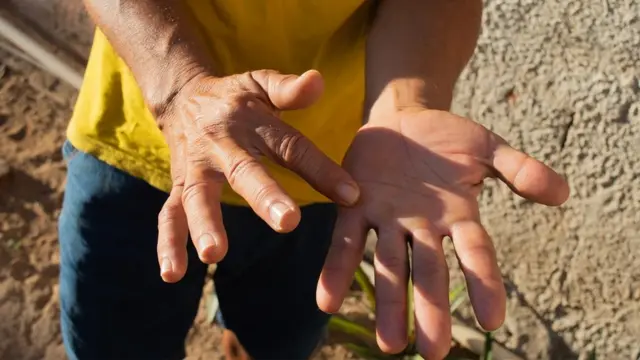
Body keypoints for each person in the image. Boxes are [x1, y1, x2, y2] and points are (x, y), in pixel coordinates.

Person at [58, 0, 570, 359]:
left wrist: (405, 106)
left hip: (330, 174)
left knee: (272, 344)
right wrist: (179, 90)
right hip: (141, 147)